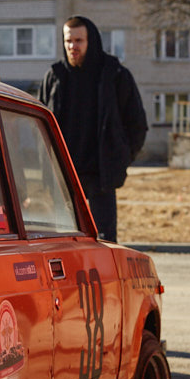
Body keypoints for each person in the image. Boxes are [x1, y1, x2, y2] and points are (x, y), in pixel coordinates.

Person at [38, 15, 146, 242]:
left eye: (79, 41)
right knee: (64, 243)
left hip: (100, 176)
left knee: (103, 243)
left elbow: (137, 124)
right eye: (68, 41)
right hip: (64, 176)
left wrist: (121, 157)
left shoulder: (115, 75)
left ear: (91, 41)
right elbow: (40, 127)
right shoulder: (54, 77)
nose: (72, 46)